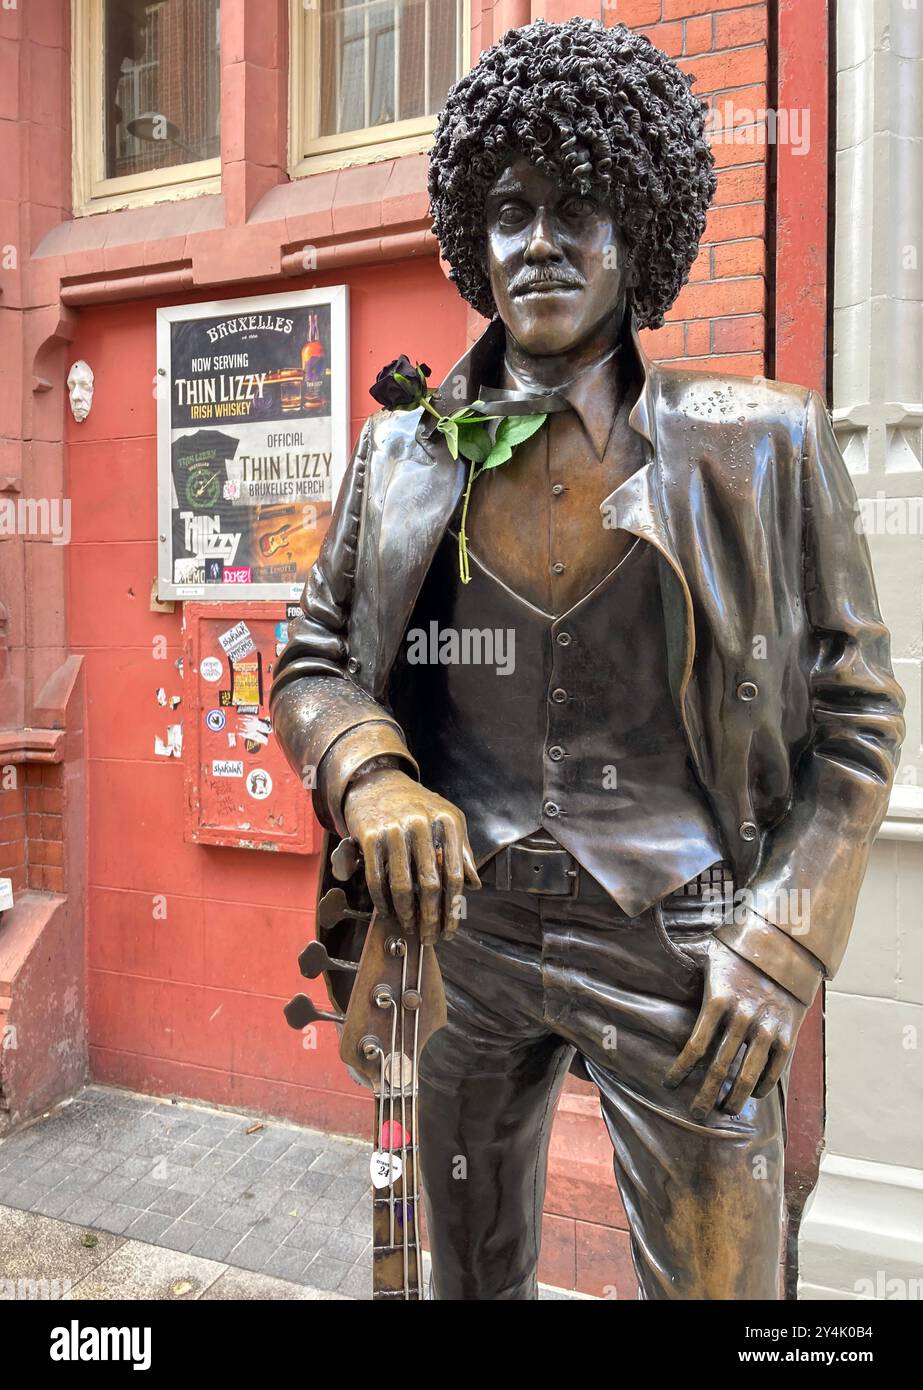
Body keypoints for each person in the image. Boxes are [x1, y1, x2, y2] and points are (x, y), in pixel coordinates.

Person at [271, 19, 904, 1300]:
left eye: (582, 207)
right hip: (461, 936)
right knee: (466, 1275)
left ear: (644, 230)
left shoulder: (760, 448)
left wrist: (780, 941)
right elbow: (311, 656)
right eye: (508, 211)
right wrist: (370, 773)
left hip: (683, 939)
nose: (540, 243)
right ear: (470, 236)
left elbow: (856, 719)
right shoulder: (400, 455)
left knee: (723, 1293)